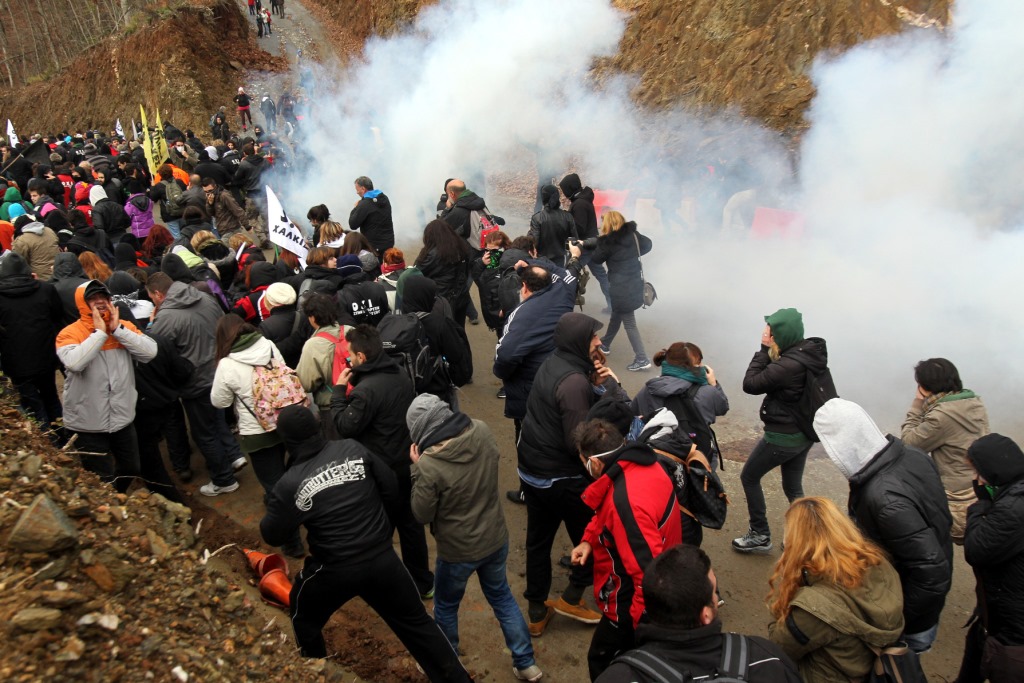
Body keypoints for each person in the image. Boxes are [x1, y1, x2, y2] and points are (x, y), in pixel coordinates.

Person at [259, 406, 472, 681]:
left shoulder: (289, 483)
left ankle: (316, 673)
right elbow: (390, 487)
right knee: (418, 624)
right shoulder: (353, 448)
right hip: (382, 559)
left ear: (286, 441)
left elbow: (273, 534)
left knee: (304, 618)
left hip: (334, 570)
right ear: (318, 429)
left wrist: (280, 503)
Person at [407, 394, 542, 682]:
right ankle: (526, 663)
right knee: (503, 597)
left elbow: (421, 514)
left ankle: (447, 662)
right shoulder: (480, 429)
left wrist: (417, 469)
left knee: (445, 606)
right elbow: (492, 459)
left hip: (457, 551)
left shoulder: (428, 465)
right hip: (494, 537)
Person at [517, 312, 628, 636]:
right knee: (592, 536)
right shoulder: (575, 382)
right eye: (594, 337)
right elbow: (579, 443)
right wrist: (611, 392)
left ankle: (536, 612)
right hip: (561, 478)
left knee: (538, 542)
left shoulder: (554, 362)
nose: (599, 341)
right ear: (580, 341)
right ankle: (572, 596)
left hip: (532, 471)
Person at [814, 398, 953, 654]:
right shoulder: (912, 455)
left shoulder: (883, 498)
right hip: (919, 589)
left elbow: (932, 572)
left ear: (841, 446)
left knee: (898, 672)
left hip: (907, 614)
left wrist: (896, 623)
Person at [569, 419, 683, 680]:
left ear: (595, 463)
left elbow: (649, 574)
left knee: (602, 659)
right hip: (664, 565)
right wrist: (589, 539)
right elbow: (607, 507)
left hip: (630, 598)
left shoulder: (627, 502)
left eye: (583, 461)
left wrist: (638, 628)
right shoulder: (640, 464)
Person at [330, 324, 435, 597]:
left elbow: (345, 425)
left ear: (362, 358)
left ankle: (376, 583)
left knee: (377, 529)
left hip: (381, 470)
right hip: (405, 461)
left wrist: (340, 392)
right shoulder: (399, 372)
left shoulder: (366, 391)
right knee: (411, 528)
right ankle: (422, 583)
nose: (349, 360)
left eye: (351, 355)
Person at [596, 545, 801, 683]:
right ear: (705, 615)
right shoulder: (765, 658)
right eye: (714, 593)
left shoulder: (619, 676)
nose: (716, 598)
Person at [766, 497, 905, 683]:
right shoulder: (878, 564)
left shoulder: (815, 608)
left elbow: (778, 646)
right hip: (863, 667)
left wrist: (788, 595)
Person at [733, 307, 826, 554]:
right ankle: (804, 537)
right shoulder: (807, 353)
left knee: (749, 477)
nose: (766, 333)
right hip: (804, 433)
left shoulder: (788, 365)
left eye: (770, 330)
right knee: (793, 486)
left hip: (783, 436)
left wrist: (763, 350)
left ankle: (760, 534)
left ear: (781, 335)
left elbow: (750, 384)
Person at [210, 314, 305, 557]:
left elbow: (219, 402)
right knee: (288, 474)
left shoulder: (227, 364)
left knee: (274, 486)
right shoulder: (269, 345)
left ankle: (292, 542)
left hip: (257, 432)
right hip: (285, 420)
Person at [493, 249, 583, 501]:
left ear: (524, 286)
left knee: (527, 439)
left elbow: (506, 356)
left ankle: (528, 490)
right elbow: (564, 272)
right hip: (563, 379)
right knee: (563, 432)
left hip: (530, 389)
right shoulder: (564, 293)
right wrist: (531, 263)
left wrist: (503, 375)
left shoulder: (522, 315)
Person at [147, 272, 246, 495]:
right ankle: (234, 455)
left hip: (196, 382)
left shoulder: (166, 318)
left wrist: (152, 323)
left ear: (158, 294)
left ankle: (223, 479)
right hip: (219, 371)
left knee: (205, 433)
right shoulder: (205, 297)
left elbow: (157, 349)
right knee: (218, 419)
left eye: (152, 298)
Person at [55, 280, 157, 490]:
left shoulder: (123, 328)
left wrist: (117, 330)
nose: (100, 302)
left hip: (122, 418)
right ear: (82, 304)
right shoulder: (69, 333)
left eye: (104, 297)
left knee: (132, 467)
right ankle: (108, 508)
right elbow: (74, 362)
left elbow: (150, 352)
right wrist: (100, 334)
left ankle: (116, 498)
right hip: (87, 422)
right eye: (93, 298)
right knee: (100, 478)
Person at [956, 434, 1024, 683]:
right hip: (992, 615)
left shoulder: (1012, 509)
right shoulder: (1014, 494)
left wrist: (979, 506)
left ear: (994, 473)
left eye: (978, 473)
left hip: (1012, 634)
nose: (975, 479)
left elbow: (975, 550)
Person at [901, 357, 990, 544]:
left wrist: (917, 404)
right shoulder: (972, 401)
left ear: (924, 387)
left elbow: (908, 444)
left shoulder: (942, 416)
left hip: (958, 502)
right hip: (981, 490)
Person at [631, 341, 729, 469]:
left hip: (657, 459)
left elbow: (633, 413)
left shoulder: (650, 388)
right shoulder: (707, 392)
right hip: (696, 458)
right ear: (694, 366)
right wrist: (714, 384)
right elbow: (722, 407)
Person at [0, 252, 63, 428]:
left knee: (32, 403)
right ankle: (62, 434)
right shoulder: (45, 289)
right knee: (51, 397)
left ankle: (48, 441)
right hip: (45, 355)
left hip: (15, 361)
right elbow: (57, 316)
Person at [589, 210, 652, 372]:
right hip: (634, 284)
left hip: (620, 288)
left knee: (629, 323)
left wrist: (597, 242)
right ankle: (605, 344)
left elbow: (595, 259)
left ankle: (642, 358)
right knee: (617, 314)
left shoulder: (608, 242)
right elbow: (648, 245)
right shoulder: (634, 235)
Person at [400, 275, 473, 408]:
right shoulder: (440, 324)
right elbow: (458, 358)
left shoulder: (392, 323)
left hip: (404, 396)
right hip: (438, 392)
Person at [559, 173, 611, 311]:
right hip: (592, 243)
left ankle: (564, 306)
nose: (564, 194)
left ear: (570, 188)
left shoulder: (580, 204)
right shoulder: (582, 199)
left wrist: (565, 219)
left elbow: (579, 228)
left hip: (584, 246)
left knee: (569, 274)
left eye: (564, 190)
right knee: (601, 275)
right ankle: (613, 304)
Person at [295, 292, 345, 430]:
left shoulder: (313, 344)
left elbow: (306, 382)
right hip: (359, 397)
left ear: (312, 318)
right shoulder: (350, 330)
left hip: (331, 405)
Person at [415, 219, 472, 327]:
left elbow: (417, 272)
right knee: (459, 329)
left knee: (445, 333)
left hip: (443, 300)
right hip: (461, 296)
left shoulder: (432, 255)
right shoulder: (461, 247)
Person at [528, 184, 576, 263]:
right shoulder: (567, 216)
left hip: (541, 260)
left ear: (543, 198)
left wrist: (529, 234)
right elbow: (574, 240)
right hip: (560, 260)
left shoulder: (537, 218)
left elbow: (533, 242)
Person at [348, 176, 394, 256]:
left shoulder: (365, 204)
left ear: (363, 188)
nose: (357, 192)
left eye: (357, 189)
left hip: (374, 246)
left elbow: (353, 224)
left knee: (376, 267)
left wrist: (355, 208)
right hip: (388, 243)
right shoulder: (385, 198)